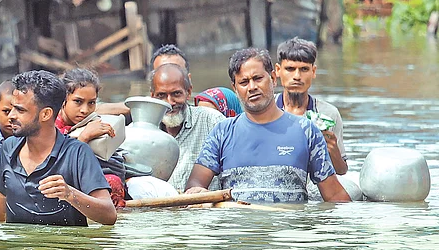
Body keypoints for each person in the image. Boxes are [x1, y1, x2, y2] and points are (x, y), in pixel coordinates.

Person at [185, 48, 350, 203]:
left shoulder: (306, 131)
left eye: (258, 78)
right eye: (244, 82)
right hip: (237, 231)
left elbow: (335, 195)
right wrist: (197, 192)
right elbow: (196, 183)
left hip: (290, 231)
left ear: (272, 78)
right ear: (234, 88)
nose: (252, 87)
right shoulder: (222, 132)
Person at [0, 70, 117, 226]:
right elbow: (0, 200)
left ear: (46, 114)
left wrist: (70, 193)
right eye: (12, 108)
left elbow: (109, 215)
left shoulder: (77, 153)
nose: (11, 115)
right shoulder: (8, 148)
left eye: (20, 110)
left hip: (61, 249)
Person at [275, 37, 348, 175]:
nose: (297, 76)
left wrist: (332, 150)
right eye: (290, 69)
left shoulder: (328, 114)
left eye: (304, 69)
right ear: (278, 70)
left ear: (313, 72)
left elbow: (342, 171)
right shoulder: (266, 109)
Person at [56, 68, 127, 208]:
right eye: (78, 101)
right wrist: (84, 137)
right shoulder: (50, 126)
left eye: (91, 103)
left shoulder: (95, 122)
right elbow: (56, 165)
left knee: (113, 182)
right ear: (63, 100)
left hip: (91, 179)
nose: (85, 110)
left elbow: (111, 162)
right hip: (59, 182)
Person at [150, 61, 225, 192]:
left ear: (188, 92)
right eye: (161, 96)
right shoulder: (143, 133)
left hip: (205, 209)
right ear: (152, 96)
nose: (169, 103)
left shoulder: (213, 121)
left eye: (176, 94)